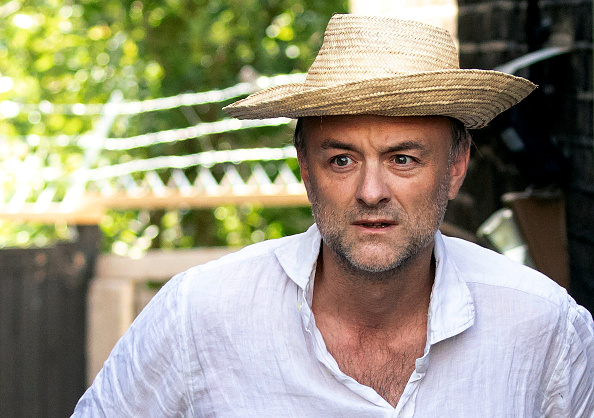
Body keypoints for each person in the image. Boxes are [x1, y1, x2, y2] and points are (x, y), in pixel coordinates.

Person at [73, 14, 594, 417]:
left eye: (403, 159)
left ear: (455, 168)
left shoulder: (542, 326)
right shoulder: (200, 315)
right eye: (341, 160)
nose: (371, 192)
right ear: (306, 169)